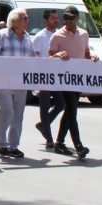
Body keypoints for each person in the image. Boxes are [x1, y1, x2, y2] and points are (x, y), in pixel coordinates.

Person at [48, 5, 98, 159]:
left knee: (70, 110)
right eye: (65, 18)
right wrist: (57, 55)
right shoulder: (57, 36)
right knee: (72, 109)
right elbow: (48, 57)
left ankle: (59, 143)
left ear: (78, 18)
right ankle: (78, 146)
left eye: (71, 18)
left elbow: (86, 54)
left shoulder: (84, 34)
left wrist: (93, 58)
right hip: (64, 78)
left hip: (79, 78)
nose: (68, 21)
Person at [0, 8, 35, 158]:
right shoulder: (2, 36)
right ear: (14, 21)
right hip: (3, 81)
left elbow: (33, 60)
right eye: (24, 18)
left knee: (18, 114)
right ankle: (1, 144)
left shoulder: (27, 38)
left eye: (27, 18)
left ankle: (13, 146)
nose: (27, 21)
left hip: (20, 82)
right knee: (7, 110)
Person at [32, 9, 64, 148]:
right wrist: (36, 83)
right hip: (43, 76)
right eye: (53, 18)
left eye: (57, 18)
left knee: (61, 104)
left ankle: (43, 125)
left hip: (57, 76)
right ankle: (49, 138)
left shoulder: (61, 35)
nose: (56, 20)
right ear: (46, 21)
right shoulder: (40, 37)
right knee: (44, 106)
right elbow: (35, 59)